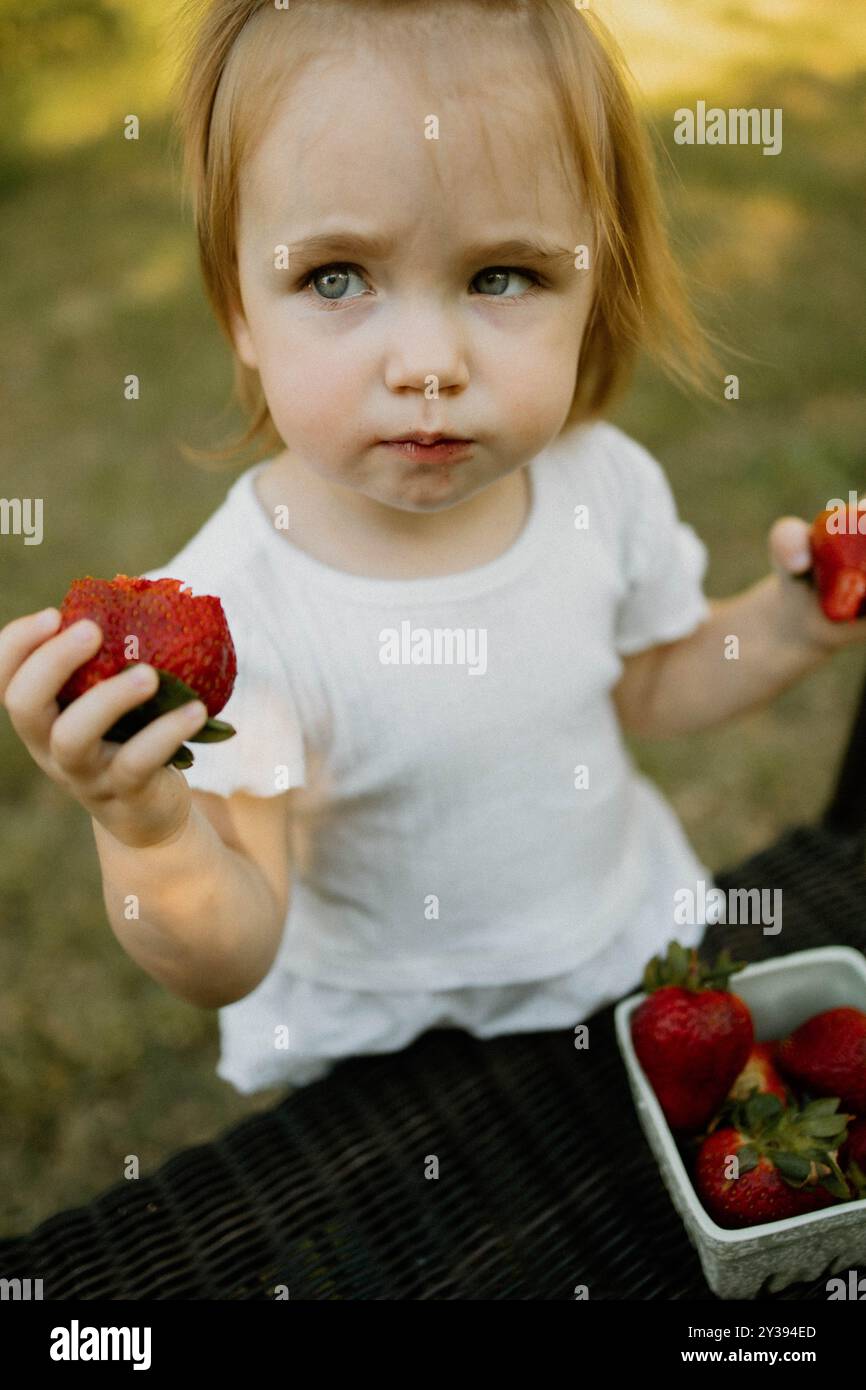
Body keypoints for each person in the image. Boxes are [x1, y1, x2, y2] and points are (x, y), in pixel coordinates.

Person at [2, 0, 863, 1095]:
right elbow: (228, 953)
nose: (425, 362)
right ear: (240, 313)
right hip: (383, 1045)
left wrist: (785, 623)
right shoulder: (235, 608)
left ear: (591, 293)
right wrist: (148, 832)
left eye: (501, 276)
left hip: (615, 955)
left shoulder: (601, 489)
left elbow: (648, 686)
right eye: (335, 277)